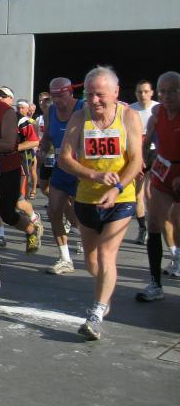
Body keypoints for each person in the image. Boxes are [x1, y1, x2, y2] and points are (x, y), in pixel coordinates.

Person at [60, 66, 142, 340]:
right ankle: (105, 292)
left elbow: (136, 161)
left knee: (107, 254)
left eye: (100, 95)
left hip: (121, 198)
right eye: (89, 94)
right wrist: (93, 174)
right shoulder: (79, 118)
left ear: (116, 93)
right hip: (87, 198)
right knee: (92, 262)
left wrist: (117, 188)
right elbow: (65, 159)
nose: (94, 101)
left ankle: (95, 313)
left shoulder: (128, 117)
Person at [0, 84, 43, 295]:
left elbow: (8, 143)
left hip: (7, 168)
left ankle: (31, 229)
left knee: (7, 212)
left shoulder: (6, 112)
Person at [137, 71, 180, 300]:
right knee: (154, 222)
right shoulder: (157, 114)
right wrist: (141, 161)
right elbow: (146, 141)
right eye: (163, 91)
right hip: (164, 170)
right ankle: (155, 284)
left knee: (177, 220)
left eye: (173, 91)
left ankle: (177, 255)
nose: (167, 96)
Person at [40, 78, 84, 275]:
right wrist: (43, 149)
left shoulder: (83, 108)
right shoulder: (50, 111)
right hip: (61, 168)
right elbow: (48, 137)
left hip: (81, 170)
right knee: (54, 211)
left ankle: (87, 237)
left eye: (61, 95)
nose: (57, 100)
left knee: (81, 213)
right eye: (54, 96)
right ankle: (65, 258)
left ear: (70, 93)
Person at [130, 79, 159, 245]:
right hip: (138, 153)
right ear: (135, 93)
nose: (143, 95)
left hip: (156, 153)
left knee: (150, 192)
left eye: (146, 91)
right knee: (138, 194)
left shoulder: (159, 109)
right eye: (139, 92)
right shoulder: (130, 110)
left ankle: (157, 224)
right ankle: (143, 229)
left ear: (152, 93)